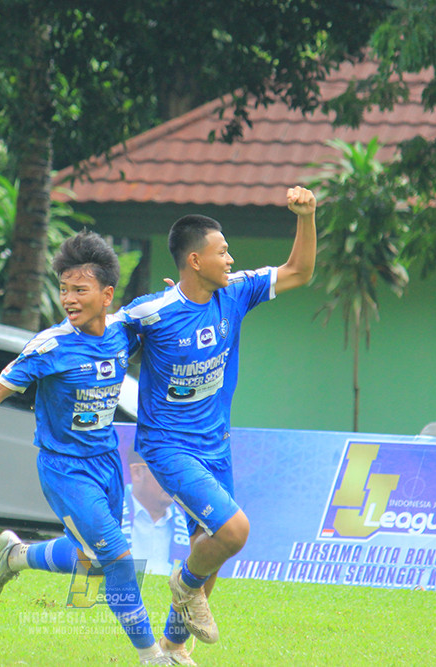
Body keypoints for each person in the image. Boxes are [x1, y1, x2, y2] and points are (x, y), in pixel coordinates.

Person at [0, 230, 175, 666]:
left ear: (107, 293)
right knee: (115, 554)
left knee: (90, 560)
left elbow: (163, 312)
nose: (70, 299)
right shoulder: (50, 346)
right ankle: (152, 656)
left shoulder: (121, 331)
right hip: (64, 469)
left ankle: (16, 556)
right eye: (64, 290)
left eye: (81, 289)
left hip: (106, 464)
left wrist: (178, 303)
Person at [118, 187, 317, 663]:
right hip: (167, 447)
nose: (231, 258)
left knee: (211, 552)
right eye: (221, 251)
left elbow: (299, 272)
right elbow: (104, 343)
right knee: (232, 532)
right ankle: (182, 584)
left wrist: (307, 217)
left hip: (215, 445)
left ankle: (172, 647)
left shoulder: (234, 293)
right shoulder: (154, 312)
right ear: (194, 260)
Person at [121, 446, 190, 576]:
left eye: (179, 472)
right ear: (137, 472)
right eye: (167, 471)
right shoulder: (107, 517)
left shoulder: (191, 526)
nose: (176, 480)